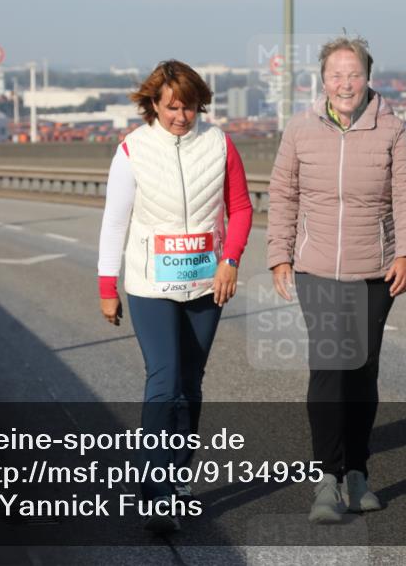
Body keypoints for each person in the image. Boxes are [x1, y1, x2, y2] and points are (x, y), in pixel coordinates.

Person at [266, 36, 406, 523]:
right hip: (317, 268)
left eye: (353, 74)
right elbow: (282, 194)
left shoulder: (392, 130)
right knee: (330, 368)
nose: (345, 83)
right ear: (322, 80)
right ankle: (327, 479)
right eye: (336, 74)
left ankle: (358, 472)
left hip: (374, 269)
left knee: (362, 370)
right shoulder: (300, 129)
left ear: (368, 77)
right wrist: (280, 255)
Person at [98, 60, 253, 533]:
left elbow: (242, 207)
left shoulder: (219, 143)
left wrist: (231, 259)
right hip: (150, 286)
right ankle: (155, 493)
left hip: (207, 284)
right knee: (163, 382)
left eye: (188, 107)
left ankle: (180, 476)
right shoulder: (133, 150)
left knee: (190, 384)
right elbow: (115, 222)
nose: (180, 117)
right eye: (171, 107)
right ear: (153, 105)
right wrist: (108, 285)